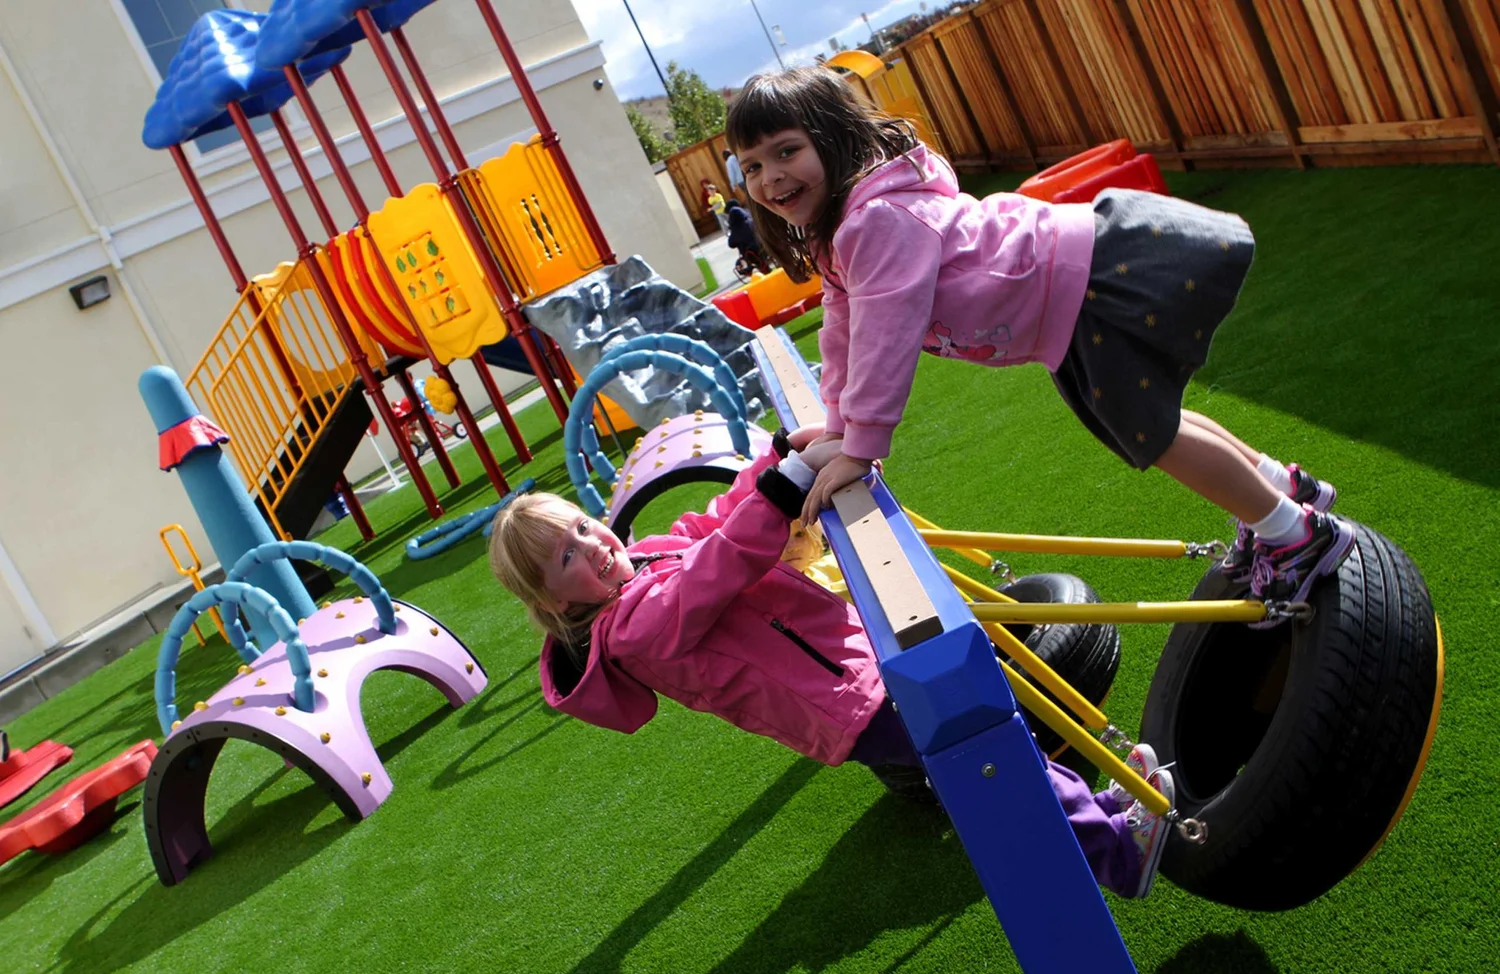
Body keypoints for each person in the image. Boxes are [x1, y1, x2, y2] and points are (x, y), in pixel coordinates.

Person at [725, 67, 1351, 611]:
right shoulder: (844, 232)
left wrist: (860, 447)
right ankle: (1283, 488)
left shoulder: (877, 221)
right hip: (1064, 303)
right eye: (752, 166)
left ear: (834, 140)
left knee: (1150, 432)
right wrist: (837, 427)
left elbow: (884, 337)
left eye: (787, 151)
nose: (770, 177)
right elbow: (844, 332)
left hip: (1084, 286)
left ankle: (1295, 534)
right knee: (1154, 422)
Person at [489, 429, 1177, 899]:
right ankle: (1118, 854)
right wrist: (787, 484)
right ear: (554, 601)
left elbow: (715, 518)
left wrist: (780, 454)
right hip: (842, 703)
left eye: (582, 526)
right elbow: (719, 561)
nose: (593, 545)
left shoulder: (644, 557)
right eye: (568, 557)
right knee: (988, 751)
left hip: (854, 667)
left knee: (993, 738)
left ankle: (1099, 814)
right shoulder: (633, 631)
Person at [725, 198, 771, 276]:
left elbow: (731, 244)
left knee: (741, 262)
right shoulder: (752, 220)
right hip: (766, 247)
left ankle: (760, 272)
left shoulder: (736, 229)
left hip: (753, 255)